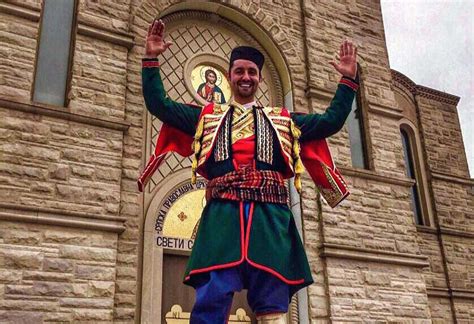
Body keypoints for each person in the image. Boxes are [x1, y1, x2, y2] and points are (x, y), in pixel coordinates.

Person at [139, 19, 359, 324]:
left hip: (269, 221)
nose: (246, 77)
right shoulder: (206, 117)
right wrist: (151, 59)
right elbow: (158, 104)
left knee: (272, 302)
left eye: (252, 72)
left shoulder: (284, 120)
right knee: (210, 300)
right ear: (229, 77)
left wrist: (347, 82)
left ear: (258, 79)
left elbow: (330, 122)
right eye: (239, 71)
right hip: (221, 219)